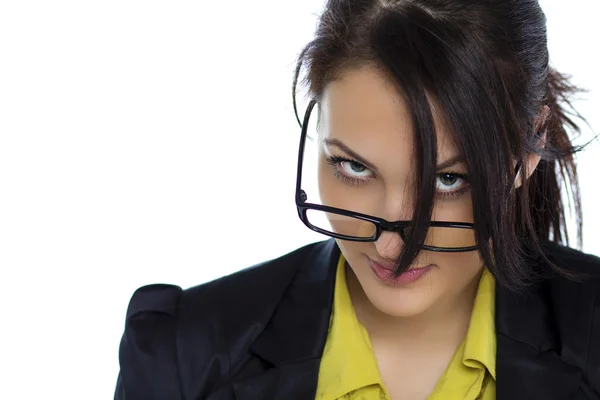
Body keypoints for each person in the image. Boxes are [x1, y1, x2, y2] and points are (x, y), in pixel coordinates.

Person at [114, 0, 600, 399]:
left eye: (449, 180)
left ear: (526, 149)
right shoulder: (182, 357)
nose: (391, 245)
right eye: (354, 167)